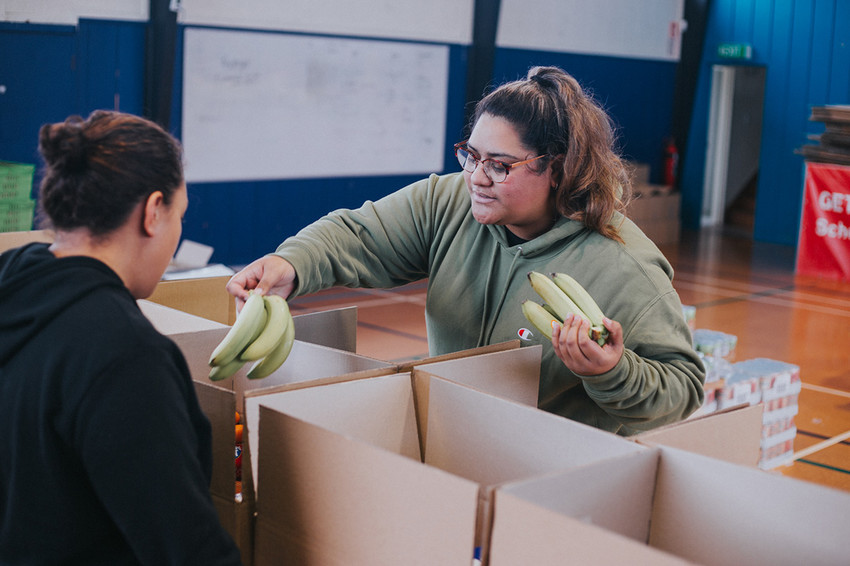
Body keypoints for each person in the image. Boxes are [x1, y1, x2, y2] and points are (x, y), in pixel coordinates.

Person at [227, 66, 705, 435]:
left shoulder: (627, 268)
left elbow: (683, 390)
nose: (476, 177)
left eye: (499, 165)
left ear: (557, 169)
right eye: (471, 156)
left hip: (552, 476)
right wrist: (291, 263)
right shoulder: (449, 202)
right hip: (451, 440)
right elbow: (357, 234)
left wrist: (613, 372)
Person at [0, 110, 242, 565]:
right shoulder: (125, 356)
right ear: (153, 212)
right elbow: (187, 547)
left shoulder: (13, 280)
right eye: (180, 216)